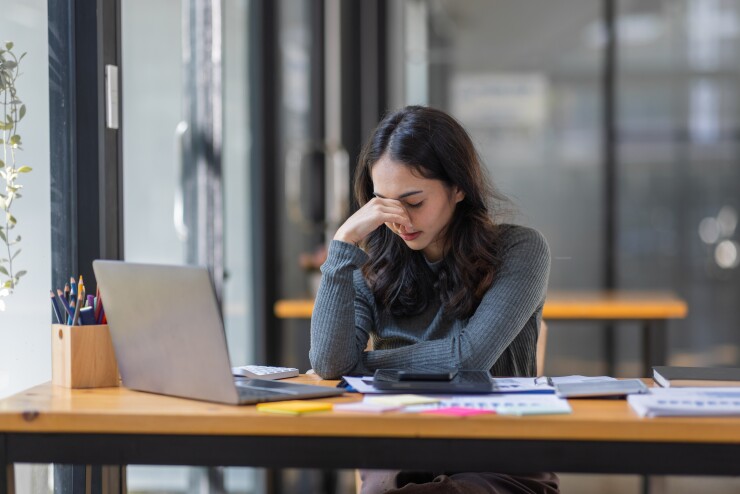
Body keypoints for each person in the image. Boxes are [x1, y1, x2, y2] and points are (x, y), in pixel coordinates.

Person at [309, 106, 558, 493]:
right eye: (383, 203)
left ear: (458, 188)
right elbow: (328, 363)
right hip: (401, 448)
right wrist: (343, 244)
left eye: (414, 201)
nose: (399, 220)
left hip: (496, 455)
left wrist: (360, 366)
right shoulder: (368, 264)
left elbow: (468, 358)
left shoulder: (519, 249)